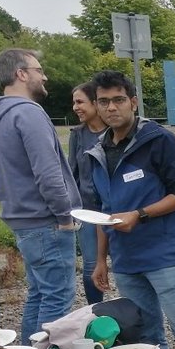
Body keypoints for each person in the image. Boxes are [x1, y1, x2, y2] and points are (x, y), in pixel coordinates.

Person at [85, 70, 175, 349]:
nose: (111, 107)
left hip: (163, 254)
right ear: (97, 105)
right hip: (126, 261)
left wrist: (140, 214)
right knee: (147, 337)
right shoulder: (98, 151)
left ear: (133, 102)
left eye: (118, 100)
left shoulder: (158, 140)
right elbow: (103, 210)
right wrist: (101, 260)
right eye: (103, 101)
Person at [0, 50, 81, 340]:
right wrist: (64, 217)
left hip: (23, 220)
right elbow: (48, 173)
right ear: (21, 74)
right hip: (46, 221)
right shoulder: (28, 113)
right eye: (39, 70)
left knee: (39, 294)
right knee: (57, 298)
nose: (44, 76)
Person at [68, 82, 106, 305]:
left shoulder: (114, 131)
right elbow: (71, 173)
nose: (76, 107)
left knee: (127, 265)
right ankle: (95, 311)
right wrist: (72, 209)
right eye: (74, 102)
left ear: (95, 102)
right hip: (88, 211)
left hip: (117, 210)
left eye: (80, 102)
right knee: (91, 266)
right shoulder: (77, 135)